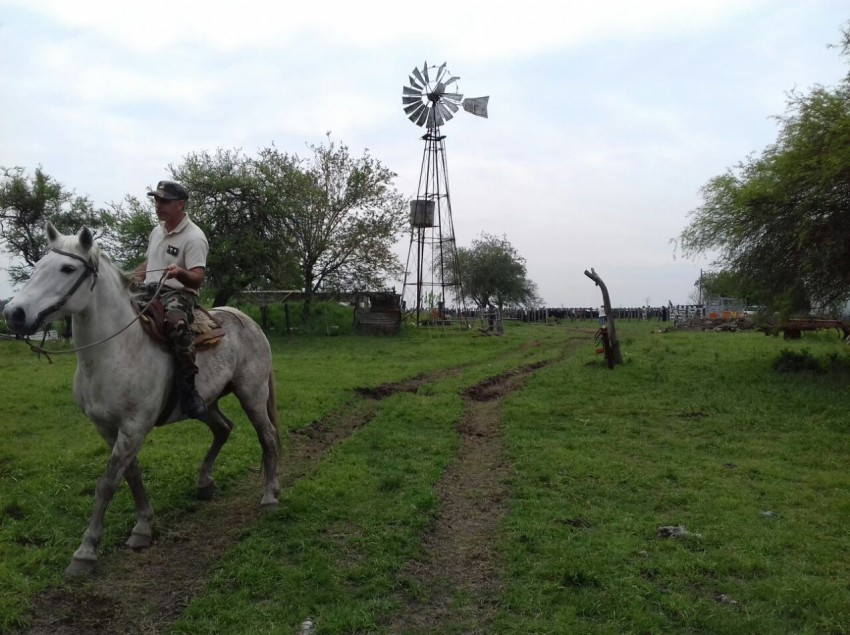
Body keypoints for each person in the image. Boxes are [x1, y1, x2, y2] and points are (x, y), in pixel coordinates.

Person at [134, 180, 209, 419]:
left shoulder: (195, 237)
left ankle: (189, 391)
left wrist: (180, 273)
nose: (158, 205)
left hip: (179, 293)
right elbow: (150, 262)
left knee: (177, 325)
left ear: (180, 204)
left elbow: (197, 278)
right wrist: (135, 275)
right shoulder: (157, 231)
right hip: (150, 289)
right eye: (156, 200)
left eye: (164, 201)